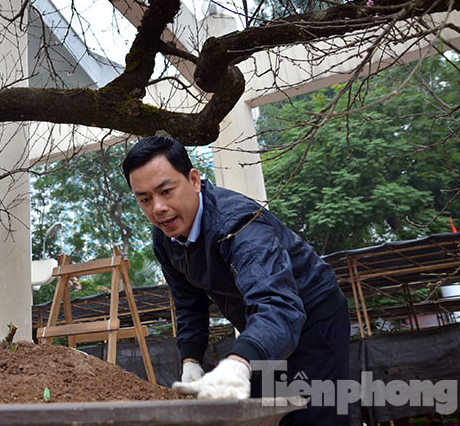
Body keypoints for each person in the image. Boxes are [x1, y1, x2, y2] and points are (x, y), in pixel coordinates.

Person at [121, 136, 350, 425]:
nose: (158, 208)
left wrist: (239, 363)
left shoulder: (239, 224)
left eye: (166, 191)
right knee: (266, 415)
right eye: (145, 199)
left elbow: (277, 302)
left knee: (315, 416)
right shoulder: (165, 238)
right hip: (264, 327)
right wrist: (191, 361)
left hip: (313, 319)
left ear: (194, 181)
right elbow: (189, 303)